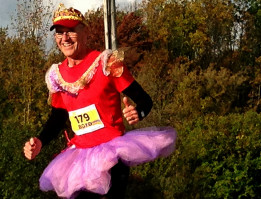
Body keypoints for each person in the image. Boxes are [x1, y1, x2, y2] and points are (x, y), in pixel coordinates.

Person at [23, 4, 176, 199]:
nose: (65, 38)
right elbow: (59, 116)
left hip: (111, 155)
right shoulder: (57, 75)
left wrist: (139, 112)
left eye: (70, 31)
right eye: (59, 33)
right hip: (79, 158)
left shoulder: (106, 63)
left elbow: (145, 100)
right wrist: (40, 141)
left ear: (85, 32)